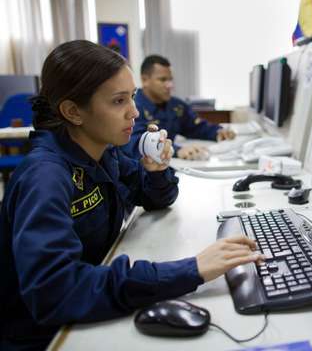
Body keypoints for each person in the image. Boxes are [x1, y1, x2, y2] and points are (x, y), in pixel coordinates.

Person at [0, 40, 262, 351]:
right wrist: (190, 269)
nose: (135, 112)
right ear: (73, 111)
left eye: (133, 97)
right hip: (45, 338)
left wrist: (155, 169)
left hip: (86, 312)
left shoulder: (100, 154)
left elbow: (156, 198)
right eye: (118, 101)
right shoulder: (45, 177)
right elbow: (56, 292)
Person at [123, 55, 235, 160]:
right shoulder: (133, 107)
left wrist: (218, 132)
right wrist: (177, 150)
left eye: (170, 80)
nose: (169, 85)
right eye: (163, 80)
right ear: (145, 80)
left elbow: (196, 127)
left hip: (169, 165)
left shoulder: (176, 105)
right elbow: (135, 142)